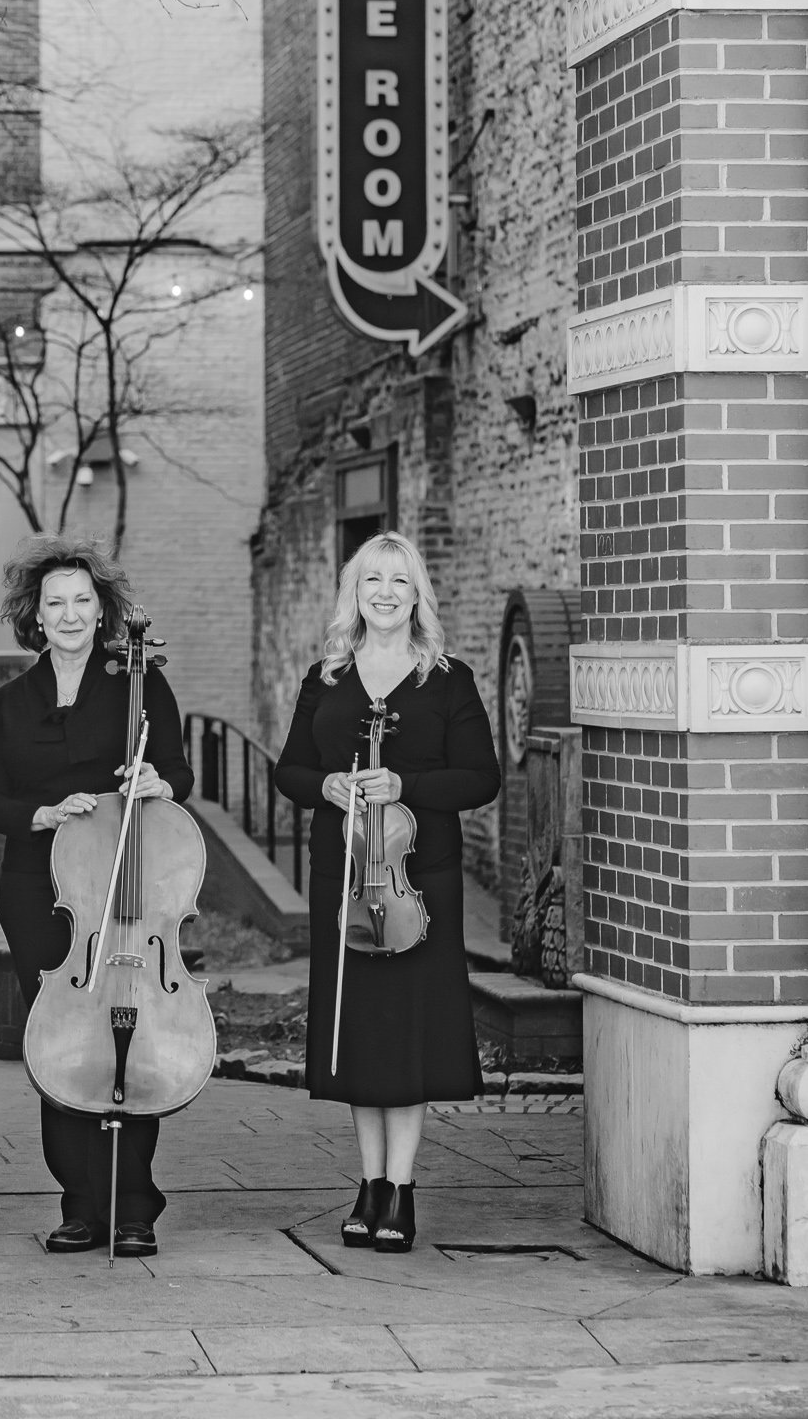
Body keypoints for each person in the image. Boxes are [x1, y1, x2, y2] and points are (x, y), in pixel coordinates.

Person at [273, 531, 499, 1254]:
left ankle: (399, 1189)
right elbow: (289, 771)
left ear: (416, 594)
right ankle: (367, 1182)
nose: (386, 593)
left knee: (407, 1030)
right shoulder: (327, 677)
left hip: (415, 880)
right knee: (361, 1030)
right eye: (373, 580)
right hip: (342, 874)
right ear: (354, 591)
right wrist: (328, 785)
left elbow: (481, 778)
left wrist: (407, 786)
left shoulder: (446, 678)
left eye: (400, 582)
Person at [0, 535, 194, 1258]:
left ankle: (134, 1206)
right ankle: (78, 1204)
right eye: (53, 603)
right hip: (42, 891)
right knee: (64, 1041)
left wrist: (156, 784)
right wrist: (39, 814)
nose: (68, 615)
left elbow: (179, 778)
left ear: (103, 613)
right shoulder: (10, 703)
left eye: (81, 602)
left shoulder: (139, 685)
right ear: (34, 617)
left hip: (127, 891)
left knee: (131, 1037)